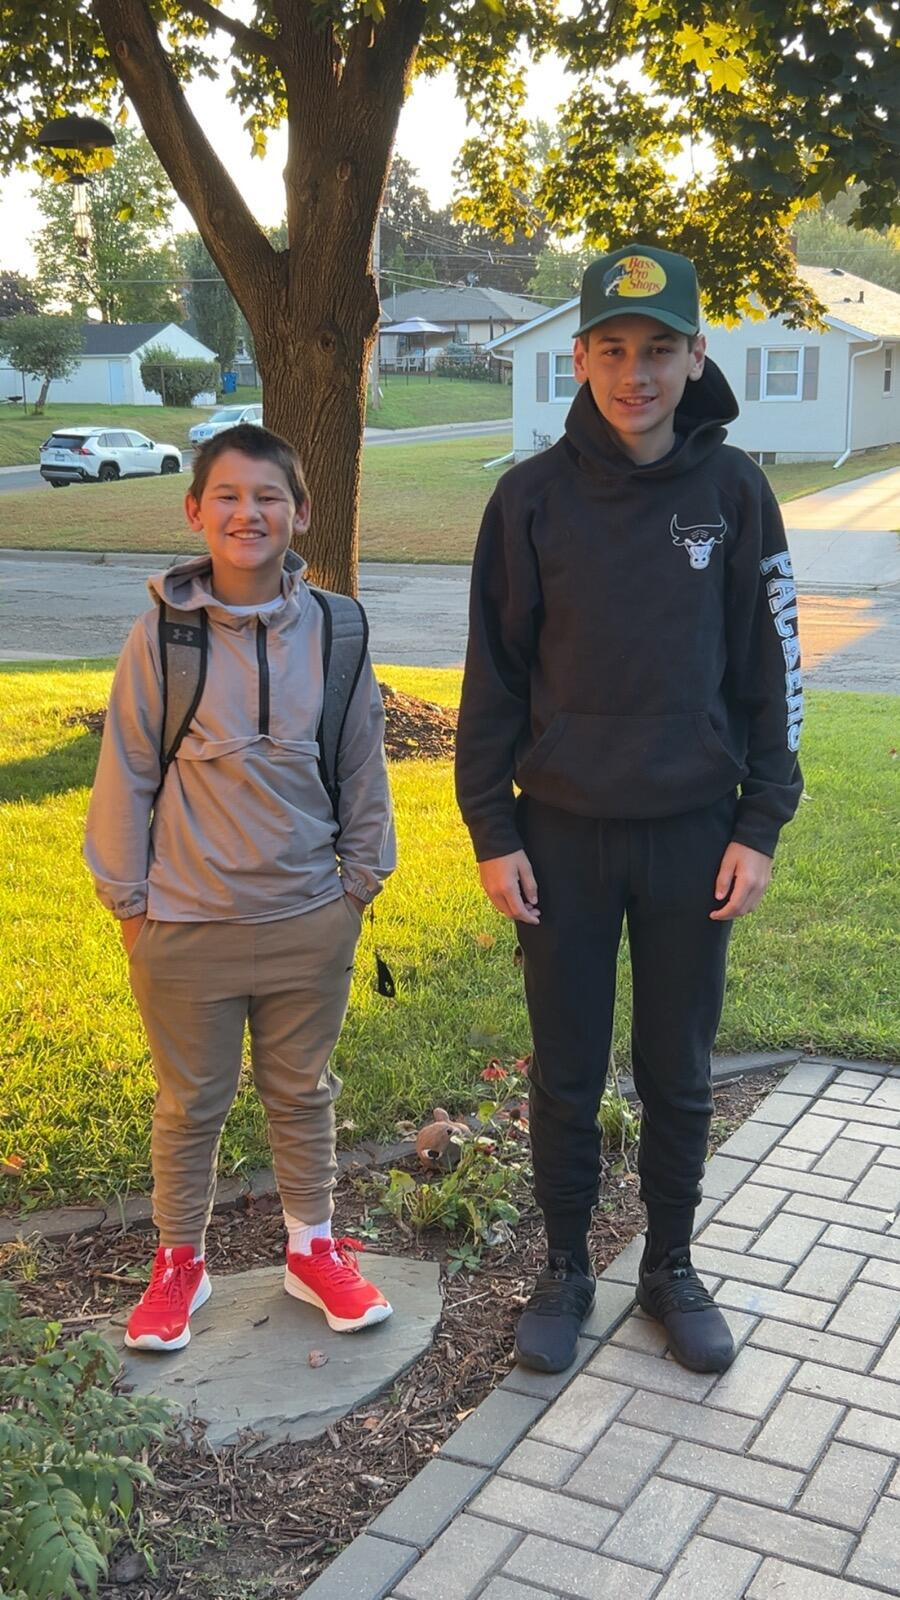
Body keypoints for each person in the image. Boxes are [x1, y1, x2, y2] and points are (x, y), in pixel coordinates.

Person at [455, 245, 803, 1375]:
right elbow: (493, 680)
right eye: (612, 348)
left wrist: (759, 824)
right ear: (579, 358)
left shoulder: (736, 494)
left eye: (658, 349)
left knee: (677, 1070)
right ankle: (565, 1266)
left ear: (696, 355)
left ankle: (669, 1265)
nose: (635, 372)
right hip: (559, 835)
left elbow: (774, 671)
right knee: (565, 1070)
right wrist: (493, 830)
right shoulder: (529, 500)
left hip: (693, 833)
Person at [84, 423, 396, 1352]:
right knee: (190, 1105)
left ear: (302, 513)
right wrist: (131, 906)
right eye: (227, 495)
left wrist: (357, 889)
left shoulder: (338, 630)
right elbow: (126, 772)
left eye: (268, 497)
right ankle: (180, 1261)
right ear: (195, 511)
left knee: (303, 1091)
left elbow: (362, 761)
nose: (247, 513)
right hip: (186, 924)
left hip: (309, 916)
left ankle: (312, 1248)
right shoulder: (162, 635)